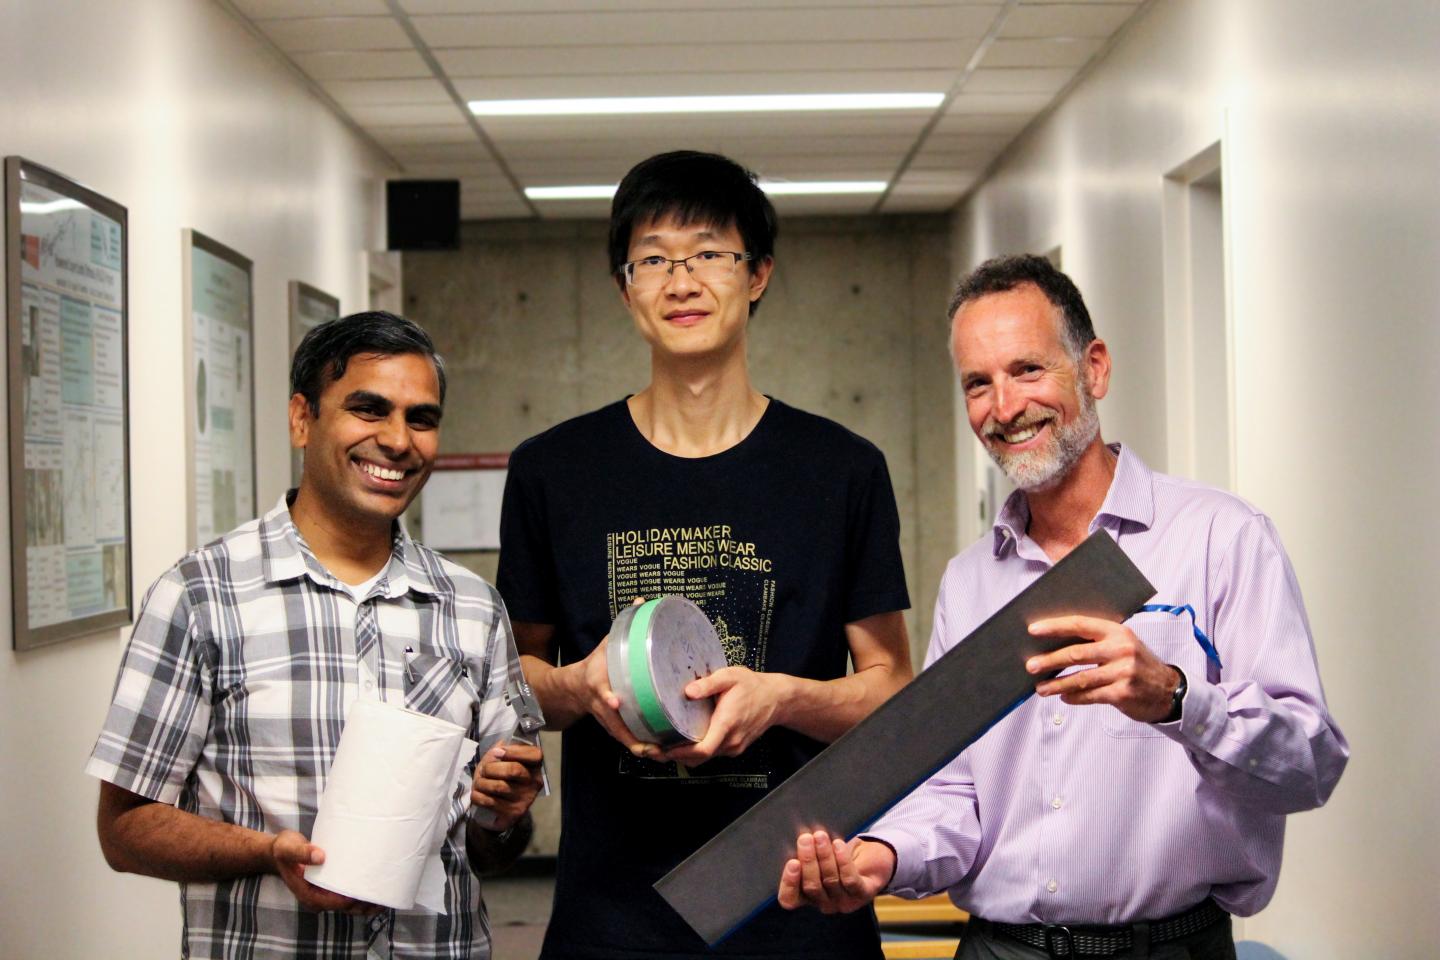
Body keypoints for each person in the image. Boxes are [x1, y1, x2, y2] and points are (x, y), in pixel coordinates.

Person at [778, 255, 1349, 959]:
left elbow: (1311, 764)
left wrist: (1174, 698)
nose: (1005, 407)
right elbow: (956, 791)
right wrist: (884, 856)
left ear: (1095, 369)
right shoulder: (970, 581)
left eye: (1027, 370)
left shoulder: (1221, 538)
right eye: (978, 384)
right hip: (997, 949)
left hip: (1169, 947)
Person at [497, 150, 914, 959]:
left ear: (756, 275)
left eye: (709, 254)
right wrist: (582, 688)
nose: (680, 281)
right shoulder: (552, 470)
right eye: (653, 259)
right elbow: (516, 679)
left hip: (798, 918)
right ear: (626, 289)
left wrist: (781, 699)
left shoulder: (842, 468)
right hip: (613, 923)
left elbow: (890, 691)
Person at [87, 311, 545, 959]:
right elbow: (125, 831)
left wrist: (505, 809)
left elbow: (495, 848)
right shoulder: (200, 596)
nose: (397, 440)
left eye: (421, 419)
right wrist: (268, 852)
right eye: (369, 409)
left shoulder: (472, 608)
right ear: (303, 419)